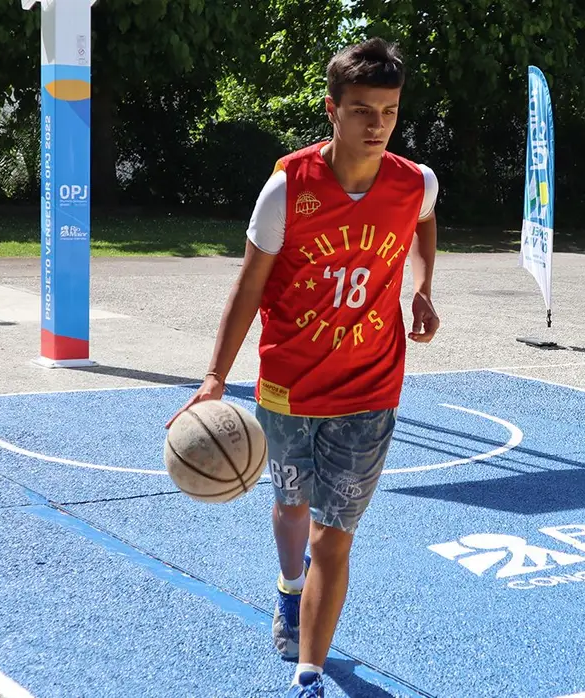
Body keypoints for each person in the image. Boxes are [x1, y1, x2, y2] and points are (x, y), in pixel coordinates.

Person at [168, 37, 440, 697]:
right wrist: (212, 377)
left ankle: (309, 674)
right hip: (290, 386)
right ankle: (290, 591)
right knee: (291, 506)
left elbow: (426, 221)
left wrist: (423, 285)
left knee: (334, 538)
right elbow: (248, 289)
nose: (376, 125)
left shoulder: (415, 182)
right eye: (361, 110)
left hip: (372, 389)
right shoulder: (289, 188)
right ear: (331, 110)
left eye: (389, 111)